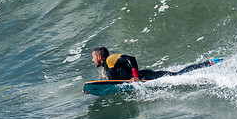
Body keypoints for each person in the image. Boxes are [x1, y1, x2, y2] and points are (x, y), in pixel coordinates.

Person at [91, 46, 223, 82]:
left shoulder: (111, 60)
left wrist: (135, 76)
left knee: (178, 75)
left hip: (146, 76)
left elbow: (131, 59)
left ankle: (209, 63)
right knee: (177, 74)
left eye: (93, 57)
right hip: (141, 78)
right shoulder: (104, 71)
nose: (92, 60)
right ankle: (208, 63)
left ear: (99, 56)